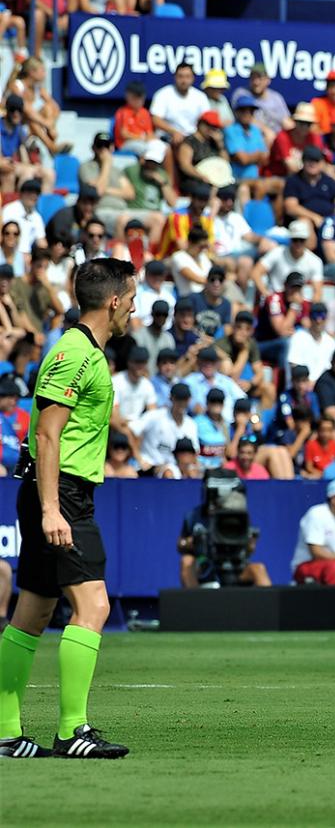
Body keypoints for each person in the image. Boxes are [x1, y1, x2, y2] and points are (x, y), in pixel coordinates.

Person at [2, 257, 137, 758]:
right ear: (115, 301)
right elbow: (46, 432)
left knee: (33, 613)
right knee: (94, 605)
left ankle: (7, 733)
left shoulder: (85, 352)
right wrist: (53, 509)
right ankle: (71, 732)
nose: (135, 309)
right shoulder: (76, 353)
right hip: (62, 494)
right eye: (133, 299)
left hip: (52, 490)